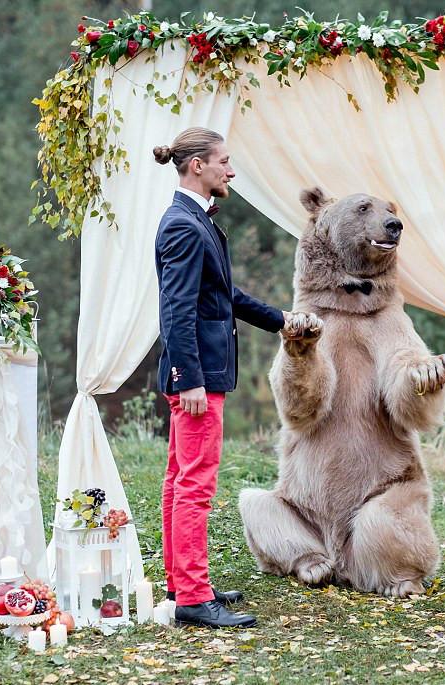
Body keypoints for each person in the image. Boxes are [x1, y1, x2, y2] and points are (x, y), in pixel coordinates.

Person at [153, 127, 292, 629]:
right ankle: (191, 595)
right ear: (197, 167)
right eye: (224, 162)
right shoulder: (184, 226)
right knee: (194, 485)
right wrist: (188, 377)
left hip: (202, 372)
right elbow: (177, 309)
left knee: (179, 480)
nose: (231, 171)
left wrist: (281, 320)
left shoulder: (197, 221)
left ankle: (182, 581)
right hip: (198, 377)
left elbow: (222, 296)